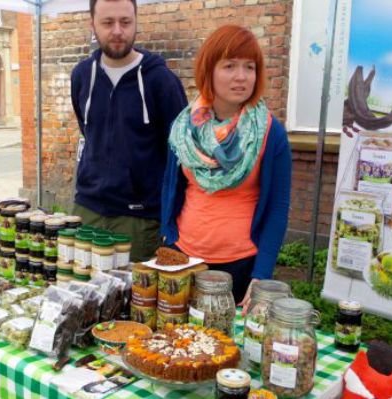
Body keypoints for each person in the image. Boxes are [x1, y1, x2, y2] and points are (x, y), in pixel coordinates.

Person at [161, 25, 292, 307]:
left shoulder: (271, 133)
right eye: (230, 65)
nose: (241, 77)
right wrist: (167, 234)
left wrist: (262, 274)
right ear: (209, 70)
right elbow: (171, 186)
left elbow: (278, 209)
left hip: (241, 266)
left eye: (250, 67)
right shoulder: (184, 129)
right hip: (183, 256)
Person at [70, 0, 188, 261]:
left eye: (125, 22)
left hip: (139, 219)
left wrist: (172, 217)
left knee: (133, 299)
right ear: (92, 24)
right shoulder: (81, 76)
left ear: (136, 21)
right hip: (87, 210)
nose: (117, 31)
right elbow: (88, 132)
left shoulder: (161, 81)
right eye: (107, 22)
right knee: (81, 295)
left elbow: (180, 154)